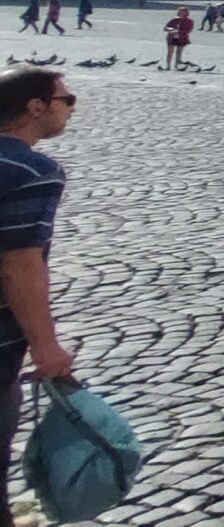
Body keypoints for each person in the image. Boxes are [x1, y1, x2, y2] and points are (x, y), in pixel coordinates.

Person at [0, 66, 77, 519]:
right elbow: (19, 265)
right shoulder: (32, 170)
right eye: (67, 100)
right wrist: (46, 348)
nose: (71, 109)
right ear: (35, 108)